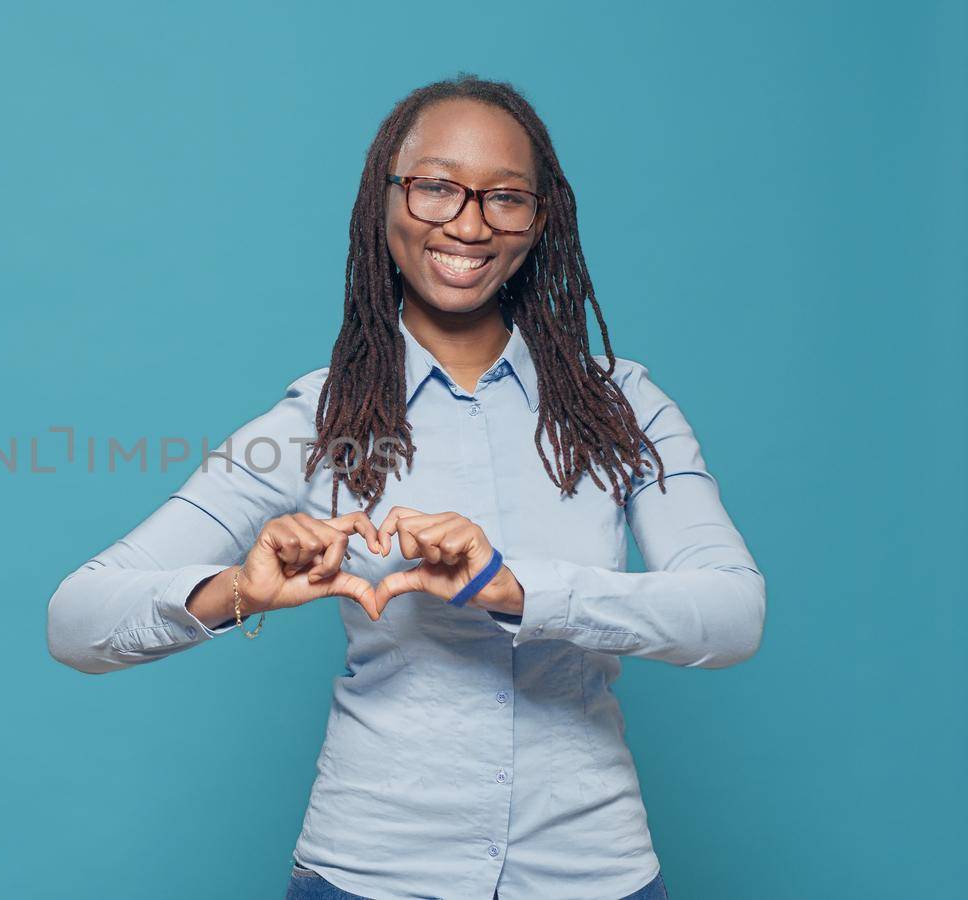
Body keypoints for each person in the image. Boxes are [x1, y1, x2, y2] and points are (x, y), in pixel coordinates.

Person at [46, 73, 764, 900]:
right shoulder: (316, 420)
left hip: (592, 872)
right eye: (435, 188)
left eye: (505, 197)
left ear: (542, 218)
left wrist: (519, 590)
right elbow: (77, 619)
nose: (468, 223)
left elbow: (733, 614)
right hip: (367, 877)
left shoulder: (621, 405)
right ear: (382, 201)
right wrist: (239, 590)